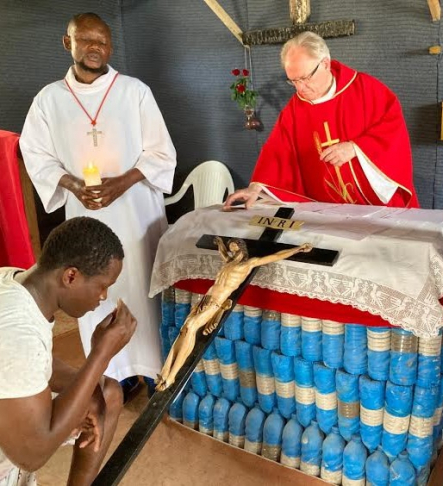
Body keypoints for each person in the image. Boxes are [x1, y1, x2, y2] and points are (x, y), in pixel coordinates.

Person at [19, 13, 177, 388]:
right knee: (95, 292)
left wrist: (122, 182)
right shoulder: (49, 100)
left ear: (111, 46)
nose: (95, 48)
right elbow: (35, 155)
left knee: (142, 288)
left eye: (102, 42)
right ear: (67, 43)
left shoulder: (135, 91)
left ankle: (155, 370)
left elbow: (161, 153)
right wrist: (74, 184)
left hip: (137, 213)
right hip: (85, 215)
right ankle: (113, 373)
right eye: (86, 40)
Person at [0, 217, 137, 486]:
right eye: (102, 285)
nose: (103, 296)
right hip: (21, 447)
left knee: (106, 393)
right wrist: (101, 354)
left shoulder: (17, 280)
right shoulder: (17, 329)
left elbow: (35, 363)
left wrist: (93, 391)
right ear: (71, 276)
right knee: (93, 393)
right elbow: (32, 454)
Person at [224, 31, 418, 210]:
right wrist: (256, 187)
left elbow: (393, 131)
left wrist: (355, 148)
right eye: (294, 81)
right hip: (326, 209)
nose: (301, 88)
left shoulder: (367, 90)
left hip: (375, 205)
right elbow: (277, 150)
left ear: (325, 64)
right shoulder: (295, 109)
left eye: (305, 78)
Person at [156, 237, 312, 390]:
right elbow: (222, 251)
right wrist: (219, 242)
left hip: (217, 302)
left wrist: (297, 249)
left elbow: (275, 256)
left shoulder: (248, 264)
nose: (232, 249)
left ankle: (172, 375)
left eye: (235, 246)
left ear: (242, 248)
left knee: (191, 327)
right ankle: (166, 370)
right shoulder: (228, 263)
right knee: (184, 329)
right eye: (230, 246)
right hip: (206, 298)